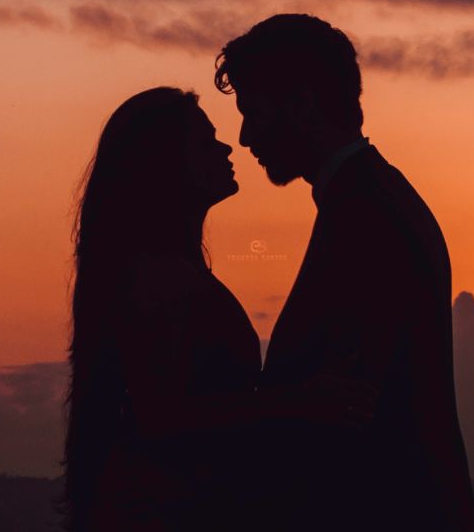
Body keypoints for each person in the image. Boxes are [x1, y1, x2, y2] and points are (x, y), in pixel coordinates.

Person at [63, 86, 373, 532]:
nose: (228, 146)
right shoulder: (157, 278)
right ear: (166, 163)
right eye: (206, 139)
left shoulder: (166, 273)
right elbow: (164, 414)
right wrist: (299, 401)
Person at [216, 14, 474, 532]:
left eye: (253, 112)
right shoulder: (370, 198)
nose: (245, 137)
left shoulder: (366, 212)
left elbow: (346, 404)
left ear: (301, 103)